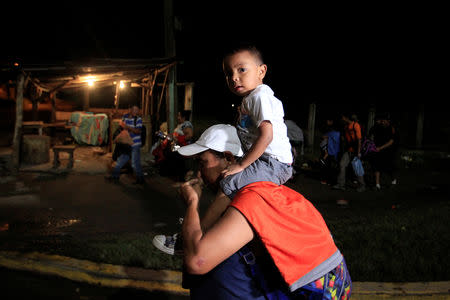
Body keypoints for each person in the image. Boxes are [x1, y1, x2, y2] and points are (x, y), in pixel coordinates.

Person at [177, 124, 352, 299]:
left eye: (203, 163)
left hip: (321, 291)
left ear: (229, 159)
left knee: (218, 271)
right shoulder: (257, 187)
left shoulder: (252, 197)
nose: (199, 174)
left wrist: (192, 203)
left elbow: (196, 262)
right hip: (326, 283)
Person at [152, 45, 293, 254]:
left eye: (241, 70)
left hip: (273, 163)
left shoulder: (260, 96)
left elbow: (267, 135)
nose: (234, 77)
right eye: (229, 73)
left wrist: (242, 164)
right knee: (231, 185)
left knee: (231, 182)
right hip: (266, 160)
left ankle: (187, 241)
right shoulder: (248, 100)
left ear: (261, 71)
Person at [105, 105, 144, 184]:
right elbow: (121, 126)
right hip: (126, 144)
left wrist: (127, 127)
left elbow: (138, 131)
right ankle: (115, 176)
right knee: (120, 161)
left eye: (137, 110)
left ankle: (140, 179)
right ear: (130, 110)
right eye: (134, 110)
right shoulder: (125, 117)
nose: (136, 112)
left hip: (135, 144)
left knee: (134, 164)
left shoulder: (138, 119)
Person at [333, 113, 366, 192]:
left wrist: (358, 152)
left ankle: (362, 186)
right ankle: (341, 185)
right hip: (349, 150)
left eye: (342, 118)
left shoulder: (355, 125)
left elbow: (359, 140)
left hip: (355, 151)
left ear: (345, 117)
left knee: (357, 168)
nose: (341, 120)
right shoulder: (346, 126)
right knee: (342, 165)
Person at [367, 113, 396, 190]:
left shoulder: (391, 129)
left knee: (387, 167)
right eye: (381, 121)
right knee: (376, 166)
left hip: (387, 151)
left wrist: (381, 148)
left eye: (383, 121)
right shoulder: (376, 127)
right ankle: (377, 184)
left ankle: (393, 179)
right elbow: (370, 136)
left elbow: (391, 141)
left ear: (387, 121)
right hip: (377, 150)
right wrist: (371, 144)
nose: (381, 122)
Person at [319, 118, 340, 185]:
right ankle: (332, 181)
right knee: (333, 168)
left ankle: (327, 180)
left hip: (331, 152)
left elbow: (323, 137)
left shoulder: (331, 133)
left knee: (328, 167)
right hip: (336, 152)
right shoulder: (339, 134)